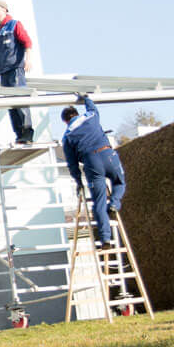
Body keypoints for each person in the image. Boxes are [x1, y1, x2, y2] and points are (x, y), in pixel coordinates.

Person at [61, 96, 125, 247]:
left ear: (65, 121)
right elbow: (92, 107)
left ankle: (105, 239)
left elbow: (72, 164)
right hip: (109, 155)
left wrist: (78, 182)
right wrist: (86, 98)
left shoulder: (67, 136)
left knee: (99, 202)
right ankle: (115, 203)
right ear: (76, 113)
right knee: (119, 182)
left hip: (91, 162)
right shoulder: (91, 116)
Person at [0, 0, 34, 144]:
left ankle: (27, 132)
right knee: (10, 104)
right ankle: (19, 134)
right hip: (3, 72)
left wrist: (28, 59)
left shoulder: (14, 25)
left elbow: (27, 42)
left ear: (4, 10)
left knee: (20, 100)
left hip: (15, 69)